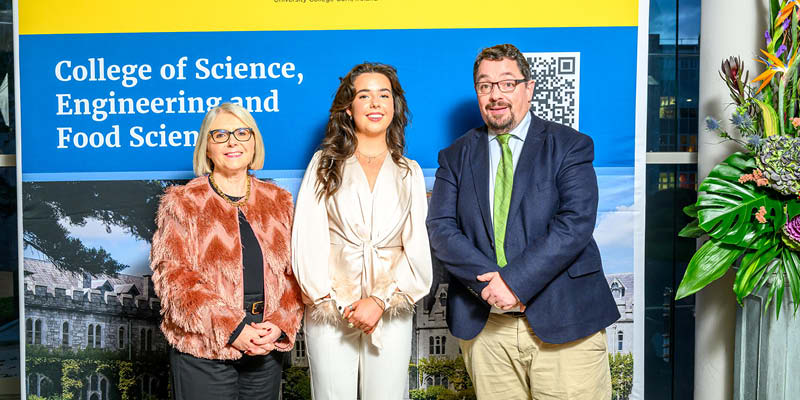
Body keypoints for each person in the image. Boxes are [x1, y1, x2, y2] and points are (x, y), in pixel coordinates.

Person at [426, 44, 620, 399]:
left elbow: (575, 222)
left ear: (528, 89)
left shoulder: (569, 145)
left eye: (507, 83)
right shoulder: (455, 156)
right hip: (487, 328)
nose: (495, 95)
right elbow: (441, 228)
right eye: (485, 85)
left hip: (565, 321)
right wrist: (492, 286)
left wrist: (514, 283)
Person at [292, 62, 432, 400]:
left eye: (384, 95)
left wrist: (379, 301)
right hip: (330, 306)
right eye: (364, 95)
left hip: (390, 306)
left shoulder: (409, 172)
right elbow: (307, 238)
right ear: (348, 108)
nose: (375, 103)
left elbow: (416, 247)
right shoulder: (324, 164)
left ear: (394, 105)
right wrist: (332, 300)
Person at [150, 103, 304, 400]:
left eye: (242, 133)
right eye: (220, 135)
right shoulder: (183, 202)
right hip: (203, 349)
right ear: (207, 148)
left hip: (265, 347)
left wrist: (278, 325)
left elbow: (294, 275)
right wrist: (233, 329)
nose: (233, 142)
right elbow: (174, 279)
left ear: (254, 142)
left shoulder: (280, 201)